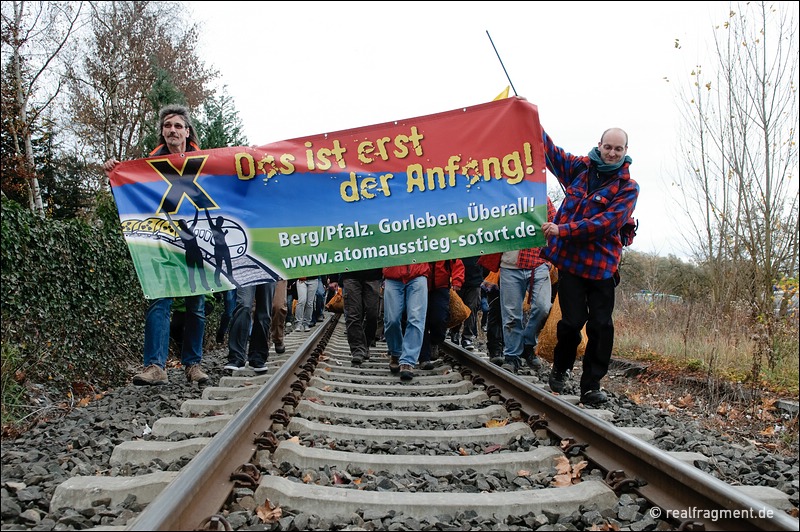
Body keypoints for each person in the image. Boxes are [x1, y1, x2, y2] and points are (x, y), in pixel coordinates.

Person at [103, 104, 209, 385]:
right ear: (162, 132)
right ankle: (155, 367)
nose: (172, 130)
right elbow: (129, 194)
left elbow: (234, 187)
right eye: (167, 126)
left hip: (196, 242)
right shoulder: (147, 167)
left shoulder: (206, 163)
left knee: (196, 305)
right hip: (161, 242)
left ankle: (193, 365)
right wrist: (115, 173)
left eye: (177, 126)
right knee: (159, 301)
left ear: (188, 131)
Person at [541, 127, 639, 405]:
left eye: (618, 149)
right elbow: (550, 152)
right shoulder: (578, 169)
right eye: (608, 147)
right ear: (600, 145)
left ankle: (591, 385)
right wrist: (529, 117)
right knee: (571, 323)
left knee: (601, 326)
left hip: (602, 267)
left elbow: (606, 224)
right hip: (571, 264)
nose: (612, 153)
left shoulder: (628, 188)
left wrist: (563, 230)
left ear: (625, 151)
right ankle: (561, 367)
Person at [492, 197, 557, 373]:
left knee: (543, 306)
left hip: (538, 263)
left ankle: (528, 342)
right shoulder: (499, 200)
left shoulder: (542, 198)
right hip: (509, 265)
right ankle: (512, 356)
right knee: (511, 315)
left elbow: (555, 224)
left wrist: (552, 258)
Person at [382, 262, 430, 381]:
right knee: (391, 319)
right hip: (392, 274)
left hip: (418, 272)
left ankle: (408, 360)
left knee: (416, 317)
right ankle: (396, 352)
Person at [419, 259, 464, 370]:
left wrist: (457, 280)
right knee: (421, 321)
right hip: (420, 283)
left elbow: (456, 260)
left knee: (439, 318)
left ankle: (435, 341)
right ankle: (424, 357)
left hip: (441, 286)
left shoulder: (442, 241)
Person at [224, 282, 276, 372]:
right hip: (245, 271)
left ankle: (258, 356)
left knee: (264, 311)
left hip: (269, 272)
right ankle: (236, 357)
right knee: (244, 305)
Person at [340, 268, 383, 365]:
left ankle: (366, 343)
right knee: (353, 314)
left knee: (373, 314)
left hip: (373, 276)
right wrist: (333, 278)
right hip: (350, 274)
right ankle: (358, 349)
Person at [447, 255, 482, 351]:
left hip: (475, 280)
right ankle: (454, 332)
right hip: (457, 279)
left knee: (472, 308)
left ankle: (467, 337)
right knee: (456, 309)